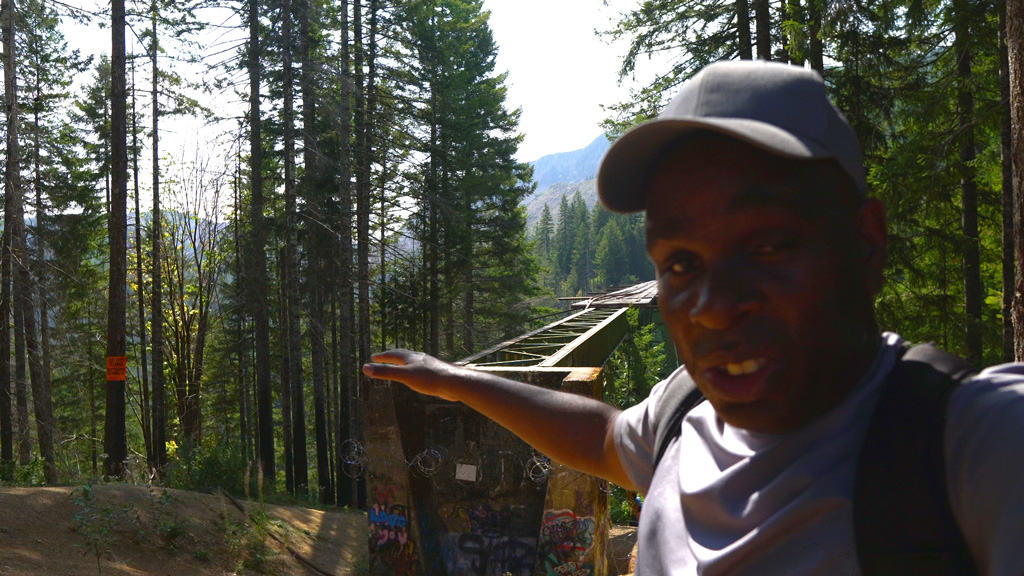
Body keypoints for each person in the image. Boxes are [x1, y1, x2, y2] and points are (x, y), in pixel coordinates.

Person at [362, 60, 1024, 575]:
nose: (712, 307)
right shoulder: (683, 420)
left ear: (867, 242)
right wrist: (452, 380)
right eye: (680, 263)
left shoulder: (972, 445)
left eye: (768, 246)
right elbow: (601, 437)